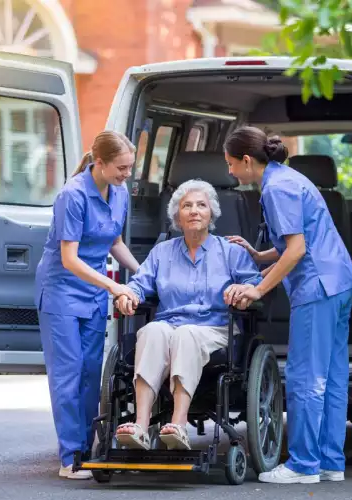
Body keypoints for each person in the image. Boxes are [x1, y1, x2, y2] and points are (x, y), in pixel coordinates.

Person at [223, 126, 352, 484]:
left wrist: (258, 289)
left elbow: (297, 251)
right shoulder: (289, 178)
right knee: (331, 377)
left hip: (317, 287)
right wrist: (258, 255)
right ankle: (330, 461)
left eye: (231, 164)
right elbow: (295, 240)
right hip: (340, 281)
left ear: (247, 161)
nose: (230, 172)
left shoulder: (275, 189)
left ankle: (303, 465)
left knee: (304, 377)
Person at [113, 179, 262, 451]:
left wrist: (245, 288)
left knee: (185, 334)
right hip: (169, 324)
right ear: (177, 216)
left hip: (215, 328)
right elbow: (139, 284)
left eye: (201, 205)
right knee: (152, 331)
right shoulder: (162, 252)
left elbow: (255, 285)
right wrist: (127, 294)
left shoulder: (230, 252)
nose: (194, 211)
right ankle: (141, 425)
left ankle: (178, 424)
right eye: (187, 206)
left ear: (211, 214)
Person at [34, 131, 142, 480]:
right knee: (68, 374)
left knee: (91, 374)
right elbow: (69, 258)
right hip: (62, 290)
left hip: (94, 291)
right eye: (121, 168)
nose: (127, 174)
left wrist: (145, 274)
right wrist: (114, 285)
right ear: (100, 162)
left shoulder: (120, 192)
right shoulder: (73, 195)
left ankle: (85, 447)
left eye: (129, 168)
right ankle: (70, 458)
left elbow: (114, 242)